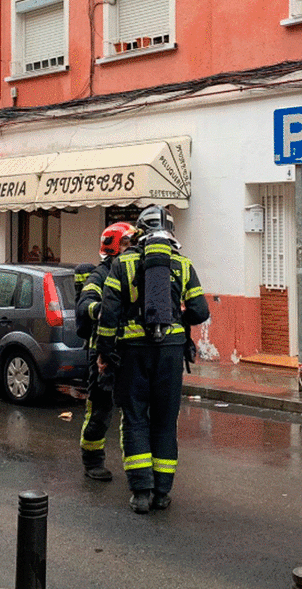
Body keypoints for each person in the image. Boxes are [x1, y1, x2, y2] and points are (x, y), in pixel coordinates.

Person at [96, 206, 209, 514]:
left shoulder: (122, 264)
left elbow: (109, 314)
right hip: (171, 353)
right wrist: (177, 316)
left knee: (134, 419)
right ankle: (162, 492)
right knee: (164, 421)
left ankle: (140, 493)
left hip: (132, 354)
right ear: (171, 231)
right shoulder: (183, 265)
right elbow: (201, 311)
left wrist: (105, 352)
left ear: (140, 231)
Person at [74, 222, 137, 482]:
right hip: (100, 352)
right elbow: (84, 305)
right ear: (114, 246)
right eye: (127, 242)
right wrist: (102, 310)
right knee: (100, 410)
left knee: (134, 410)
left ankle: (136, 467)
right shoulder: (100, 275)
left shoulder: (131, 268)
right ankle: (92, 460)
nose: (132, 246)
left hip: (127, 350)